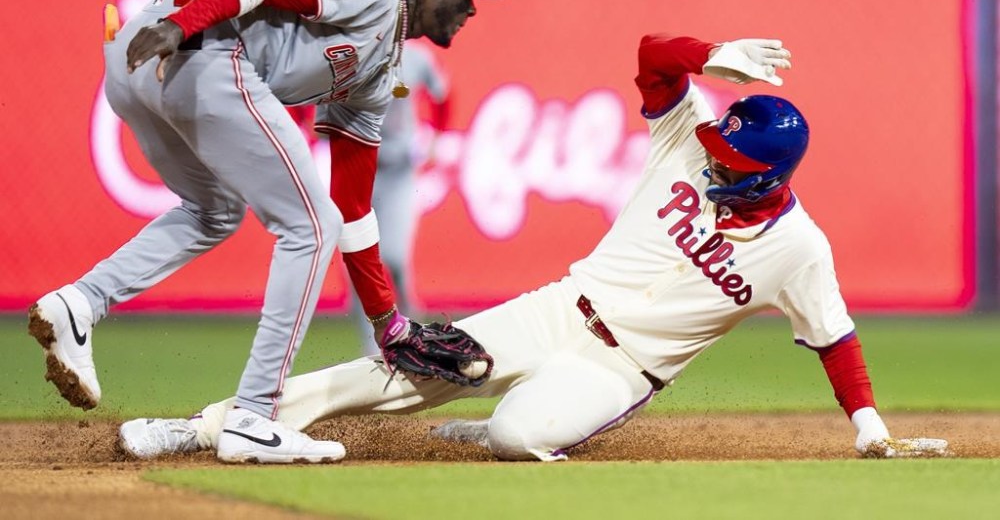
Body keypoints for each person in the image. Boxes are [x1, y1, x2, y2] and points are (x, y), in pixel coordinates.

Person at [118, 33, 947, 462]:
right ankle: (205, 428)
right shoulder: (691, 141)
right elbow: (655, 57)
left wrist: (869, 427)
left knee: (517, 440)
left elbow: (834, 338)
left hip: (619, 370)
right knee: (391, 373)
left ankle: (511, 420)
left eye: (736, 162)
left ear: (774, 175)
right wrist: (711, 58)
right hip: (555, 310)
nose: (718, 159)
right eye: (721, 147)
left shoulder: (798, 248)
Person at [28, 0, 505, 464]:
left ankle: (80, 303)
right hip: (192, 44)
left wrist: (388, 325)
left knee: (215, 212)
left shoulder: (378, 74)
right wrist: (183, 24)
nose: (472, 9)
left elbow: (352, 209)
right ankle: (254, 416)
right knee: (308, 227)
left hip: (138, 60)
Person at [350, 39, 451, 354]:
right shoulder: (349, 52)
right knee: (358, 258)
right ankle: (372, 348)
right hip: (355, 167)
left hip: (398, 170)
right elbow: (305, 96)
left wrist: (437, 134)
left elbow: (441, 94)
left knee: (393, 257)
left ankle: (410, 321)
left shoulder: (415, 58)